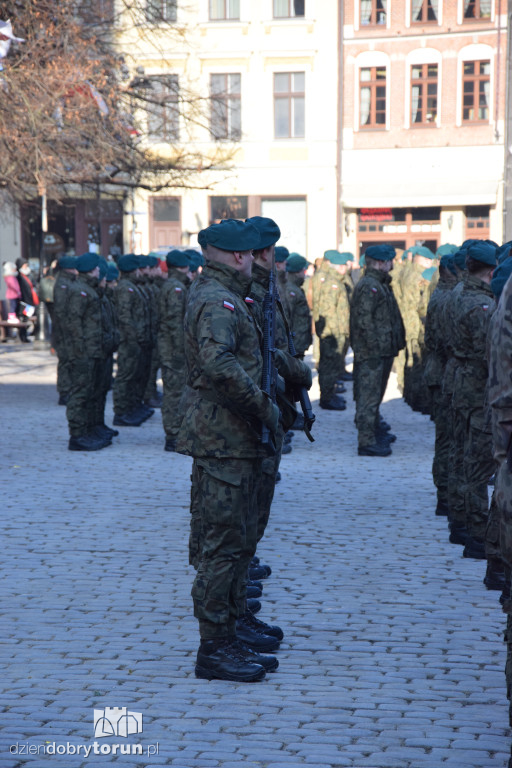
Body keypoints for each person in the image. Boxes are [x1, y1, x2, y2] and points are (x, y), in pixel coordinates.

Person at [176, 219, 282, 682]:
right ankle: (214, 647)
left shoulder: (227, 295)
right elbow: (219, 365)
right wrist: (262, 406)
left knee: (238, 542)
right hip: (224, 439)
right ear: (239, 256)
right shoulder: (216, 300)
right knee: (222, 546)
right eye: (252, 254)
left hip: (235, 439)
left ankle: (232, 627)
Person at [451, 241, 497, 559]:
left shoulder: (458, 292)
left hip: (461, 383)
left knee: (464, 459)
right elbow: (487, 354)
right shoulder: (481, 304)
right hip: (477, 388)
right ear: (491, 271)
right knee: (478, 466)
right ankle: (477, 533)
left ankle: (463, 524)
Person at [350, 244, 405, 456]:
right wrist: (372, 349)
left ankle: (373, 433)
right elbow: (364, 322)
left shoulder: (379, 283)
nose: (393, 264)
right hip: (372, 352)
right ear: (381, 263)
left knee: (375, 395)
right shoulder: (369, 285)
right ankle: (366, 442)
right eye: (390, 260)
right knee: (368, 397)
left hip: (382, 350)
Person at [65, 252, 111, 451]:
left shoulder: (89, 290)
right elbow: (74, 323)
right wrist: (80, 351)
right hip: (83, 353)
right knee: (80, 393)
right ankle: (77, 435)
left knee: (91, 392)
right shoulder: (79, 291)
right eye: (97, 268)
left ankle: (88, 429)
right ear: (93, 269)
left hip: (93, 351)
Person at [113, 255, 153, 427]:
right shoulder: (125, 288)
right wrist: (133, 338)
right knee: (125, 377)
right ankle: (121, 412)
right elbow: (125, 317)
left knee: (135, 376)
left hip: (137, 340)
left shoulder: (133, 287)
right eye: (138, 269)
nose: (141, 272)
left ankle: (133, 407)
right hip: (129, 342)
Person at [158, 248, 190, 452]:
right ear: (182, 267)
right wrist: (181, 349)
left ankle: (176, 433)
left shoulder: (172, 285)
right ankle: (173, 435)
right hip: (173, 351)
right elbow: (175, 322)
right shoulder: (176, 288)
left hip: (171, 348)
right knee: (174, 393)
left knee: (176, 392)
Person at [53, 256, 79, 405]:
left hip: (67, 328)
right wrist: (68, 329)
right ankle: (64, 392)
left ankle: (68, 389)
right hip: (64, 330)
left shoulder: (69, 282)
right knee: (65, 361)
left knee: (70, 360)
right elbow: (61, 310)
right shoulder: (63, 284)